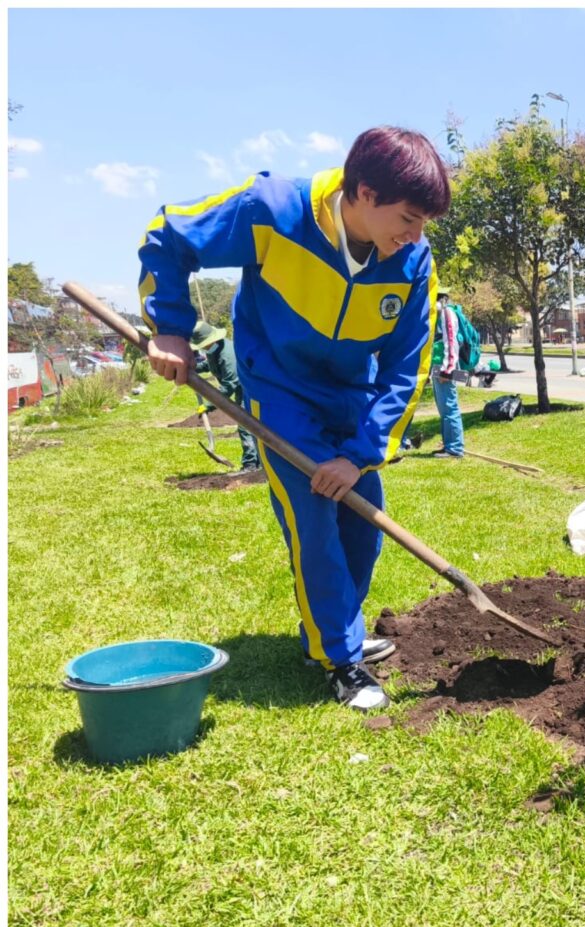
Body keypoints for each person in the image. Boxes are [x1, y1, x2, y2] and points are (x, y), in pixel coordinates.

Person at [137, 126, 448, 712]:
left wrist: (358, 453)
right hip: (278, 396)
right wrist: (171, 329)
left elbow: (408, 367)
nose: (416, 234)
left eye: (424, 223)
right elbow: (169, 232)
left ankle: (333, 634)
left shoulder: (412, 260)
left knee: (363, 523)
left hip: (351, 398)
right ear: (363, 193)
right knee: (314, 524)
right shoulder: (273, 211)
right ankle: (339, 658)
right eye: (408, 217)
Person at [190, 316, 261, 476]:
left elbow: (229, 385)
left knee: (245, 425)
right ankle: (257, 463)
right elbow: (210, 365)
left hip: (250, 388)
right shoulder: (214, 350)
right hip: (241, 387)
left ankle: (251, 465)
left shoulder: (227, 354)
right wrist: (194, 369)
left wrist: (209, 405)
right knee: (249, 426)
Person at [426, 292, 475, 458]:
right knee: (444, 408)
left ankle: (455, 448)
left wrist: (447, 370)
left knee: (449, 406)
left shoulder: (447, 313)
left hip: (445, 369)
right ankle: (449, 445)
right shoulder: (438, 315)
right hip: (438, 367)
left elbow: (451, 341)